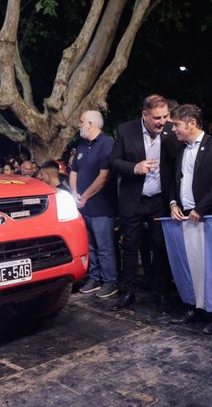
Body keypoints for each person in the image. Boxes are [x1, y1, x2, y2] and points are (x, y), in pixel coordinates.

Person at [167, 103, 212, 333]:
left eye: (176, 124)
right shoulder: (181, 150)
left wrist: (201, 208)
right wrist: (173, 203)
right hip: (185, 217)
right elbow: (176, 181)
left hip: (209, 218)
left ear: (191, 123)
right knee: (191, 265)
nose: (173, 129)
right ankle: (194, 307)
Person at [110, 94, 178, 310]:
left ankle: (161, 292)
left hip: (160, 200)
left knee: (160, 247)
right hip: (134, 200)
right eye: (157, 117)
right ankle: (128, 292)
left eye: (166, 116)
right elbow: (113, 161)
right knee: (130, 247)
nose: (162, 121)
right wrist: (134, 168)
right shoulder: (125, 130)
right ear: (145, 115)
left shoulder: (171, 131)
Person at [70, 110, 119, 299]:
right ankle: (94, 277)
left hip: (101, 206)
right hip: (84, 207)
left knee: (104, 246)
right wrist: (74, 193)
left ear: (91, 123)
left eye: (81, 121)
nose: (79, 125)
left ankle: (110, 281)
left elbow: (104, 176)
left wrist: (86, 195)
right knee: (90, 245)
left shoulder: (107, 143)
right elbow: (73, 171)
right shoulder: (81, 146)